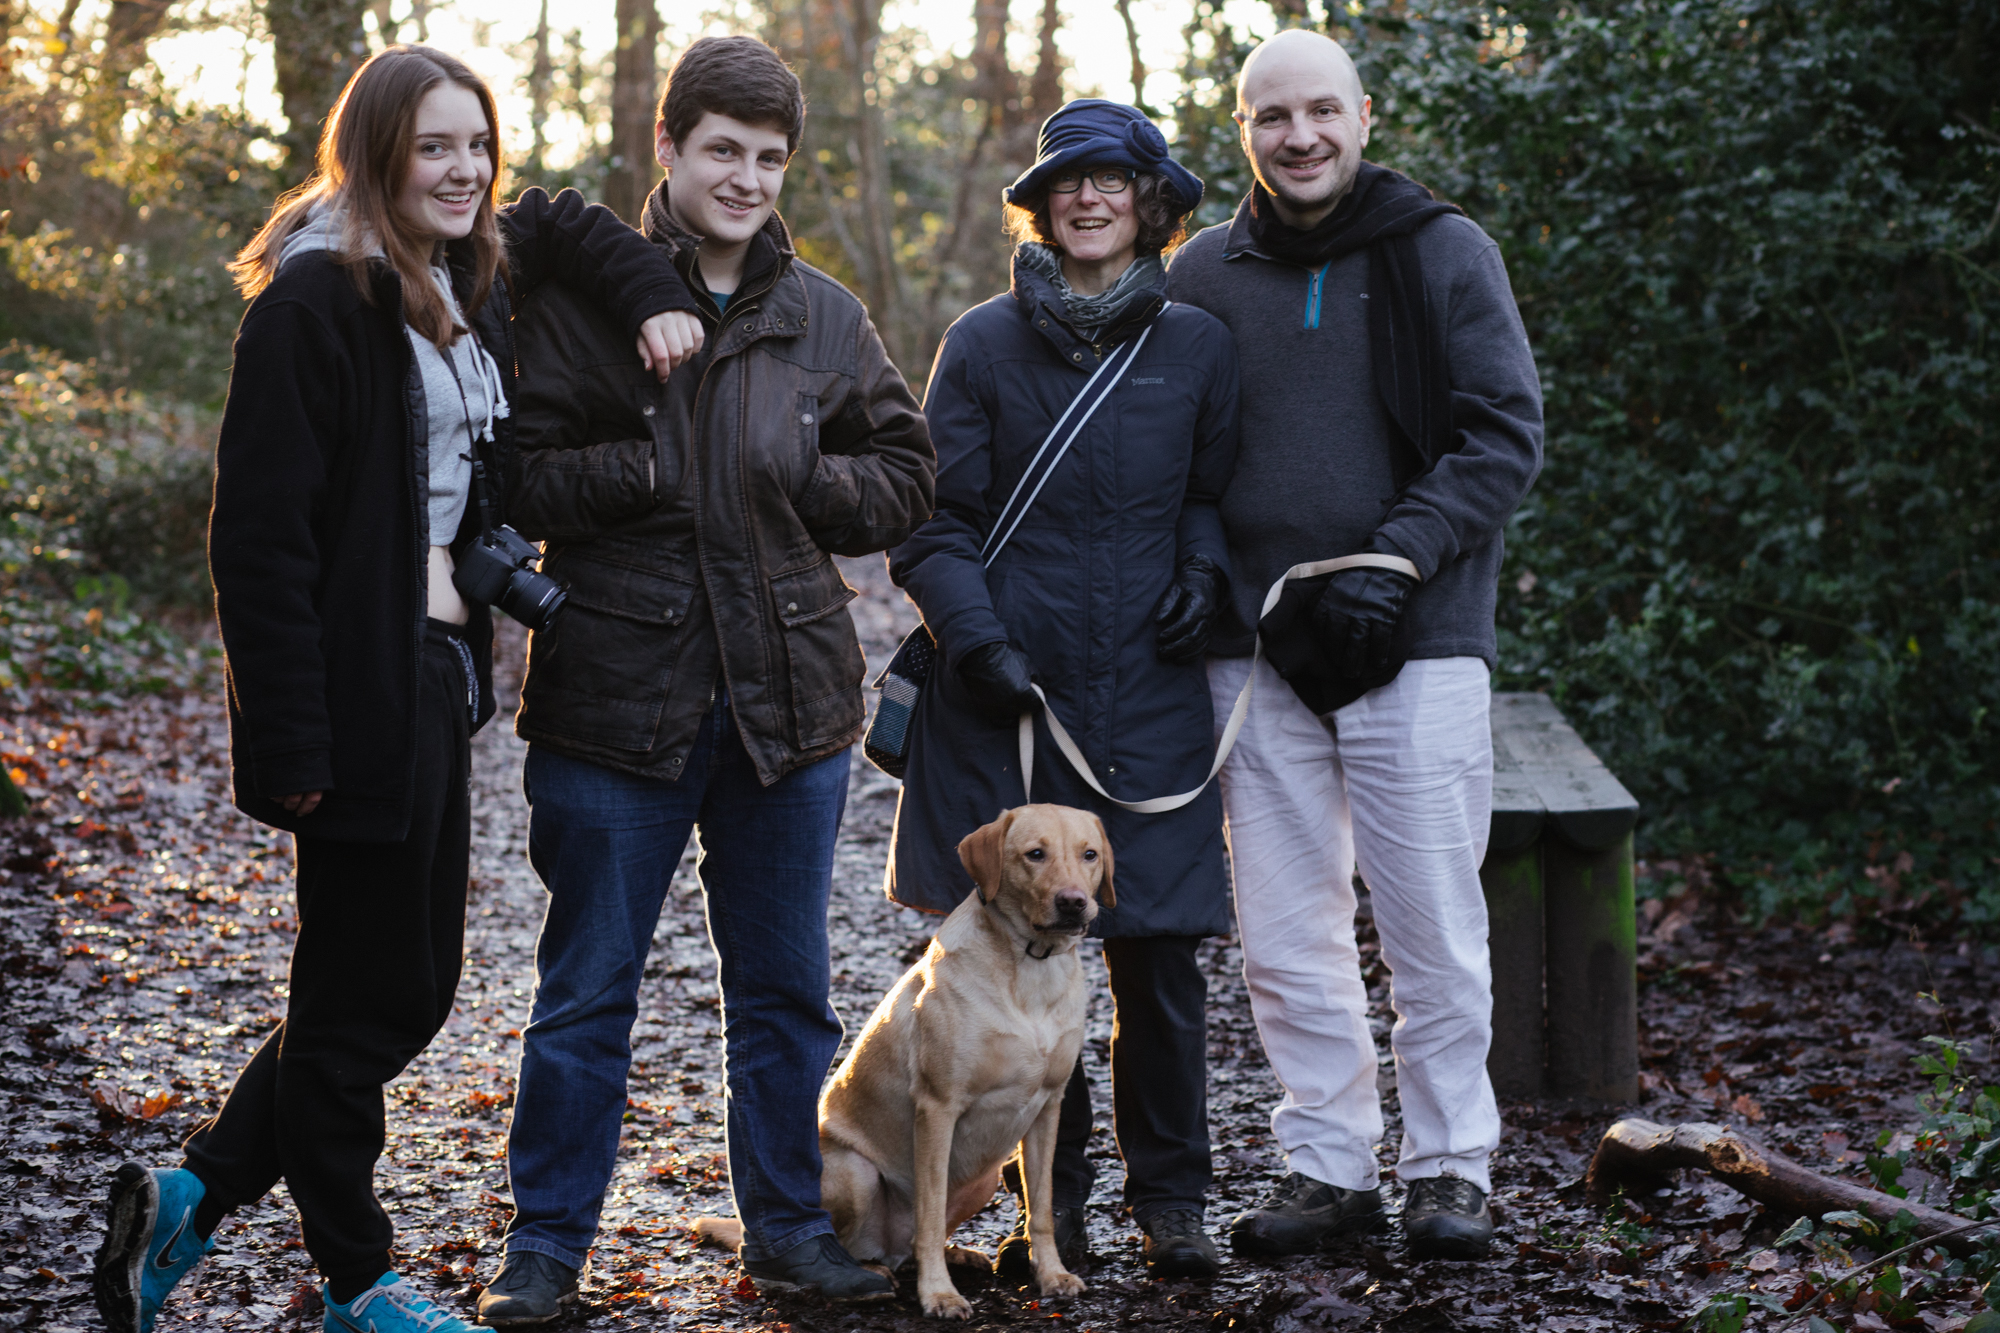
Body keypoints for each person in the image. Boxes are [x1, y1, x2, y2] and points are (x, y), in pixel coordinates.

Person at [89, 45, 704, 1333]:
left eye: (476, 144)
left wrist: (655, 294)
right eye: (434, 147)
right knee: (355, 997)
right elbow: (258, 545)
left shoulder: (456, 275)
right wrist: (291, 740)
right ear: (374, 153)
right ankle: (358, 1283)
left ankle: (190, 1193)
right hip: (357, 687)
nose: (464, 170)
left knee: (407, 987)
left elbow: (570, 224)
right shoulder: (312, 306)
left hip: (434, 679)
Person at [473, 36, 933, 1320]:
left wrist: (811, 480)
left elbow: (906, 473)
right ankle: (545, 1247)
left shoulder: (824, 314)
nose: (744, 178)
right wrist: (647, 471)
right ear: (667, 146)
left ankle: (785, 1229)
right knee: (584, 991)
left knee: (784, 994)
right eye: (721, 150)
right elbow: (516, 479)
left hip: (788, 701)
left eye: (768, 158)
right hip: (614, 696)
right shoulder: (574, 301)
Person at [1165, 29, 1543, 1261]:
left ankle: (1448, 1169)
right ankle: (1329, 1167)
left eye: (1321, 110)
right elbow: (1179, 455)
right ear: (1242, 130)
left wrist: (1398, 555)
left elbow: (1501, 432)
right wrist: (1203, 576)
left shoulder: (1442, 249)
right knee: (1285, 936)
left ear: (1363, 116)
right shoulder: (1202, 274)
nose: (1300, 136)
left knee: (1431, 926)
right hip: (1256, 649)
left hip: (1415, 636)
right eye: (1272, 116)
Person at [885, 99, 1240, 1280]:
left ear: (1149, 201)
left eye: (1110, 180)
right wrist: (974, 638)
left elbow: (1209, 495)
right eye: (1064, 184)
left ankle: (1172, 1203)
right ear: (1039, 208)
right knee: (1021, 959)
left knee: (1160, 960)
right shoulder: (981, 344)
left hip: (1147, 692)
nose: (1087, 199)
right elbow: (931, 520)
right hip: (1011, 694)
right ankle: (1057, 1211)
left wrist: (1202, 572)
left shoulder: (1196, 346)